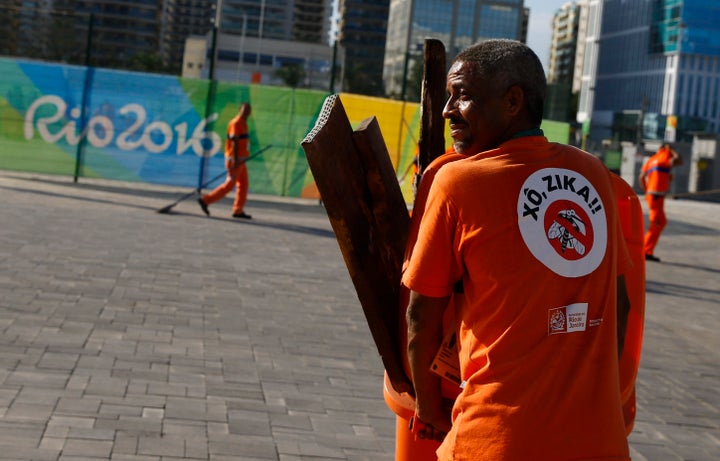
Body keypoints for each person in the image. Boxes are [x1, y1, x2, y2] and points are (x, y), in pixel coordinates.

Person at [402, 39, 632, 460]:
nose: (449, 110)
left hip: (497, 439)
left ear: (512, 101)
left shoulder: (457, 184)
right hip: (598, 442)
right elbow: (619, 306)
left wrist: (427, 404)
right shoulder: (594, 173)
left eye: (463, 95)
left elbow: (420, 315)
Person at [197, 103, 253, 219]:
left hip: (241, 161)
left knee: (243, 185)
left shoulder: (244, 124)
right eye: (244, 110)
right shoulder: (236, 123)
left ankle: (238, 210)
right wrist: (236, 159)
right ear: (240, 110)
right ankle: (205, 200)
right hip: (235, 160)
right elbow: (234, 142)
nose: (246, 112)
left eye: (248, 110)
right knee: (229, 185)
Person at [639, 143, 683, 262]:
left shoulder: (652, 159)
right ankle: (644, 251)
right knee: (656, 224)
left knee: (661, 222)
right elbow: (679, 160)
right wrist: (672, 150)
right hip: (656, 197)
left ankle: (646, 250)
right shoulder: (665, 157)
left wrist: (646, 190)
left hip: (654, 196)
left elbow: (641, 177)